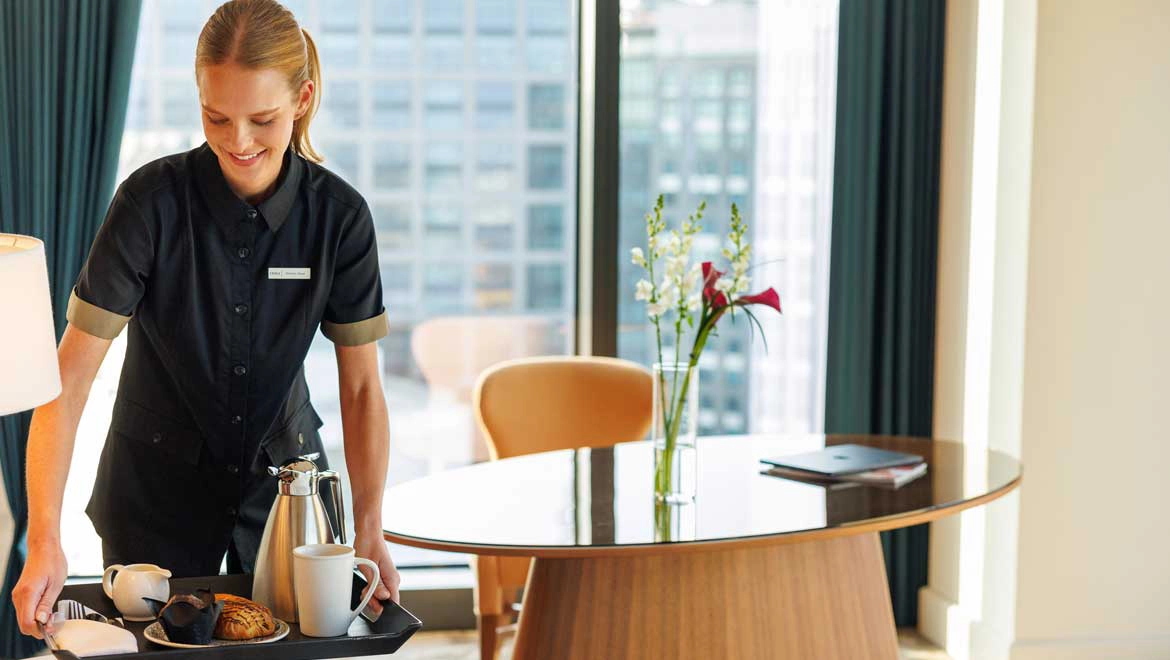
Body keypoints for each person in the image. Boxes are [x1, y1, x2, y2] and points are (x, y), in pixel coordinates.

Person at [12, 0, 400, 638]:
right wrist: (45, 537)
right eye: (216, 116)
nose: (238, 141)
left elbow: (361, 388)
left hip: (288, 502)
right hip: (154, 493)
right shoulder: (149, 204)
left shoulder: (339, 219)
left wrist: (368, 526)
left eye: (263, 118)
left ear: (302, 100)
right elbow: (70, 378)